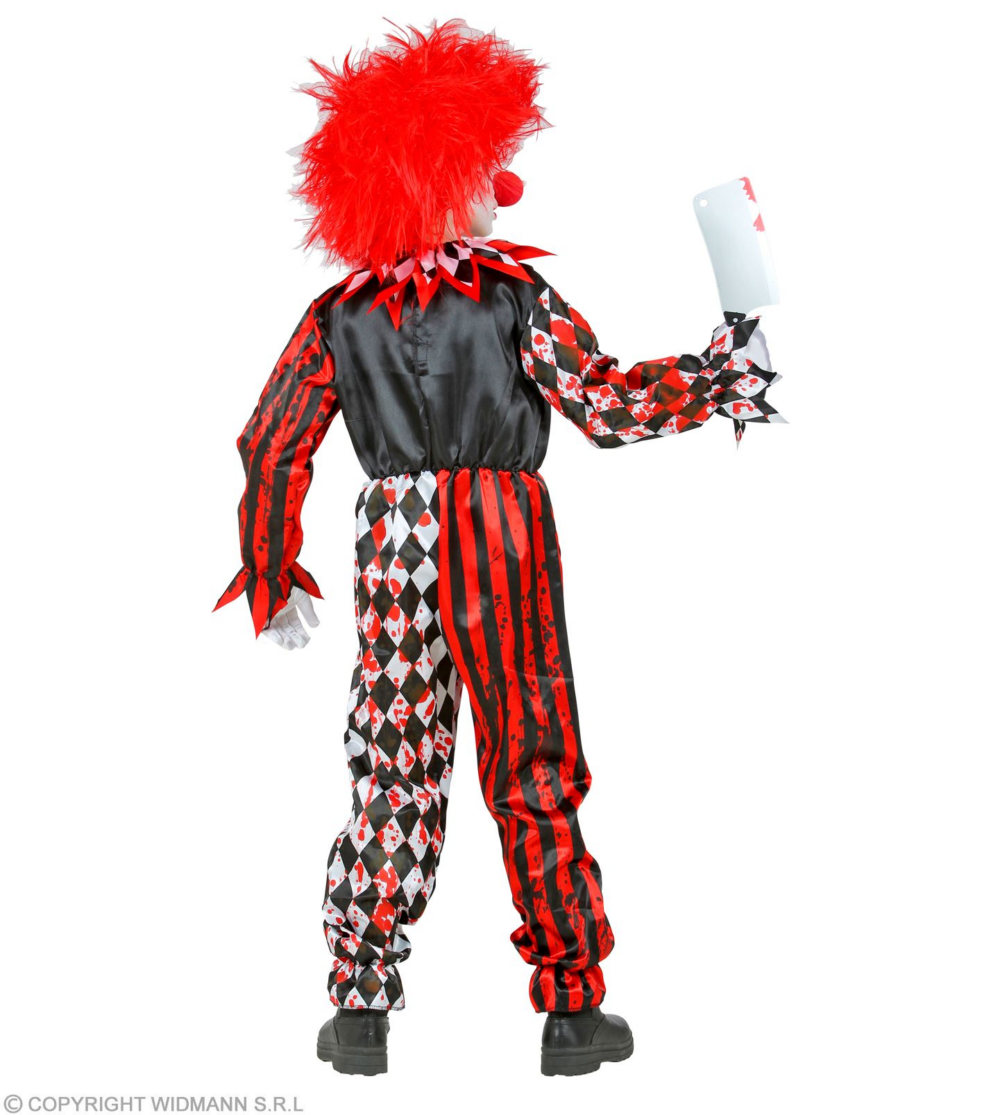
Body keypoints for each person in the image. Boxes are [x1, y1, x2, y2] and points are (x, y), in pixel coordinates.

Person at [214, 18, 782, 1077]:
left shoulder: (337, 314)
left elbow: (271, 438)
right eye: (483, 167)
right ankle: (571, 1007)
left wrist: (272, 568)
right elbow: (605, 404)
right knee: (531, 758)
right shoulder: (512, 295)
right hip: (498, 532)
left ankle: (359, 1009)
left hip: (390, 539)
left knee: (393, 762)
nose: (501, 186)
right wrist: (724, 374)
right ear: (439, 179)